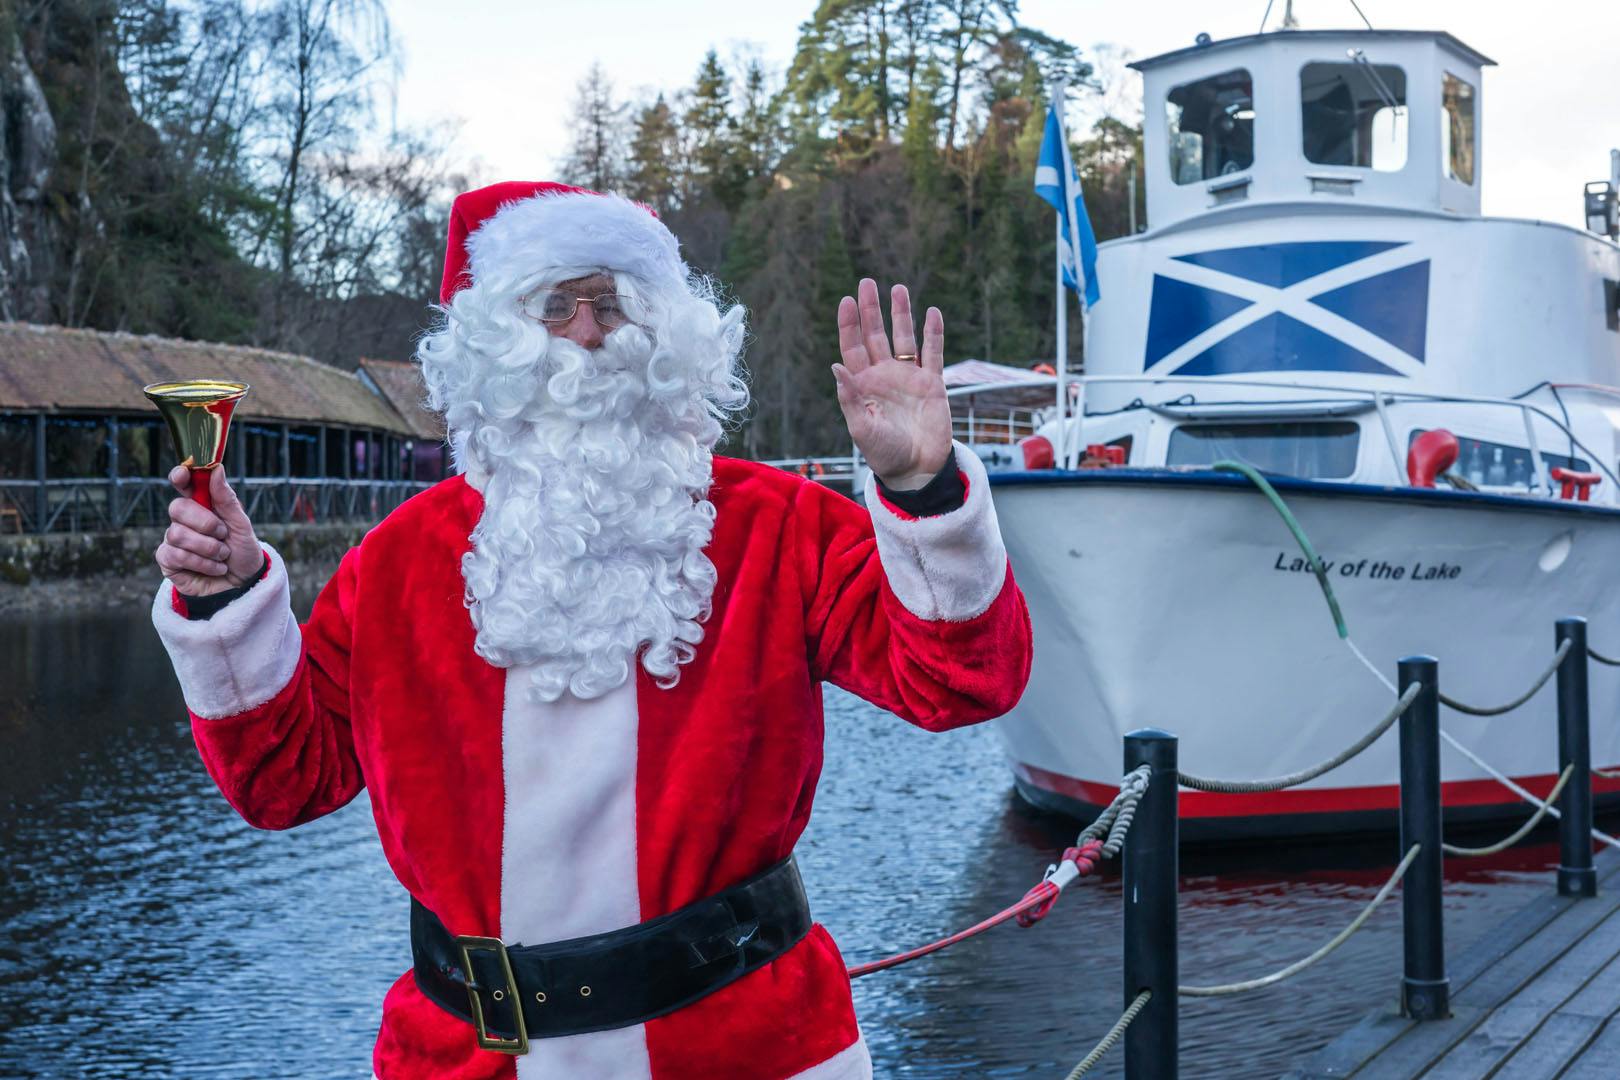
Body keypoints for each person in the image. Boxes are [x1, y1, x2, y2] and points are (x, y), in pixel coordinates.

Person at [151, 180, 1032, 1080]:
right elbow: (282, 782)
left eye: (612, 302)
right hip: (471, 1059)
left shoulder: (775, 525)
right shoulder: (396, 565)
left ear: (665, 330)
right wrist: (228, 601)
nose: (584, 331)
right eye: (552, 303)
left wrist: (923, 488)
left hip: (750, 1051)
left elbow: (961, 683)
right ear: (491, 337)